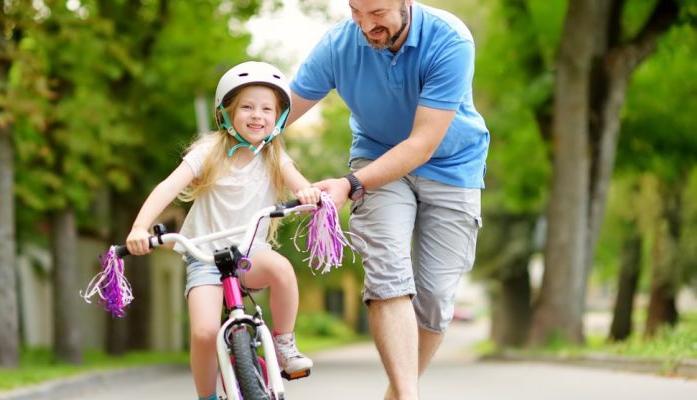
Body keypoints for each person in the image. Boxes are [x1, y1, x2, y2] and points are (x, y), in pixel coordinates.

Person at [287, 1, 489, 399]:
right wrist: (231, 131)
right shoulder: (338, 45)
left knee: (434, 300)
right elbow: (277, 114)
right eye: (356, 11)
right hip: (375, 157)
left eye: (377, 12)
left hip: (452, 165)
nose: (365, 25)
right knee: (388, 276)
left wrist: (348, 183)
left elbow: (422, 144)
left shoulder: (450, 39)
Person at [125, 61, 321, 400]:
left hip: (250, 253)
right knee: (203, 332)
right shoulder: (209, 151)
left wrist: (307, 192)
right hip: (204, 258)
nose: (257, 115)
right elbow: (168, 187)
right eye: (247, 107)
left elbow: (299, 184)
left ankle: (284, 343)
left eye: (266, 109)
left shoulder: (274, 155)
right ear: (227, 112)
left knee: (282, 270)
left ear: (277, 118)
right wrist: (140, 227)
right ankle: (207, 397)